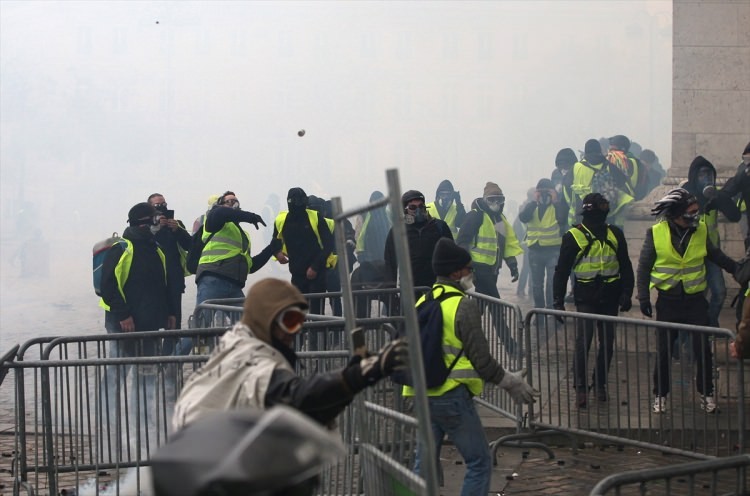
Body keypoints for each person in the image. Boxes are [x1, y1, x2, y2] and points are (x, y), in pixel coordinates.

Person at [173, 278, 408, 430]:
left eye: (299, 323)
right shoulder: (248, 357)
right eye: (288, 321)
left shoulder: (241, 340)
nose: (293, 333)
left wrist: (347, 383)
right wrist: (355, 376)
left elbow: (306, 413)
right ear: (266, 319)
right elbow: (294, 396)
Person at [403, 238, 539, 496]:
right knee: (479, 461)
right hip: (451, 397)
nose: (471, 273)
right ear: (455, 272)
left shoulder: (422, 302)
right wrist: (510, 382)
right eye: (468, 268)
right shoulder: (463, 305)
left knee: (424, 464)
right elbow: (482, 360)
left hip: (421, 396)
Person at [636, 188, 739, 414]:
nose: (695, 216)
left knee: (703, 350)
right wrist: (642, 296)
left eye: (696, 211)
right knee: (664, 352)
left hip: (695, 301)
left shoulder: (700, 230)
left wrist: (738, 269)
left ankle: (706, 394)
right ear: (676, 214)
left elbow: (716, 256)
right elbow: (643, 267)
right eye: (690, 213)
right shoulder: (655, 233)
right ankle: (660, 396)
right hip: (668, 302)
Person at [552, 193, 634, 408]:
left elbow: (625, 265)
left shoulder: (615, 233)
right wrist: (557, 300)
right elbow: (561, 271)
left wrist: (627, 292)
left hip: (610, 295)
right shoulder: (573, 236)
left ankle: (600, 384)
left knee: (607, 344)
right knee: (583, 342)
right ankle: (580, 387)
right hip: (586, 295)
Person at [100, 202, 176, 358]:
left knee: (147, 370)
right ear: (144, 222)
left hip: (149, 322)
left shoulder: (155, 248)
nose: (159, 222)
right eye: (155, 218)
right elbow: (108, 286)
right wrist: (123, 315)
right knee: (118, 370)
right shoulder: (121, 249)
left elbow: (161, 286)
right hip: (123, 322)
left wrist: (169, 312)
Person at [456, 182, 522, 356]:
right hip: (479, 270)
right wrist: (466, 266)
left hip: (493, 271)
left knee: (477, 311)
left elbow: (503, 245)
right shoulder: (475, 216)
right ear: (485, 200)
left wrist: (513, 265)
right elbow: (462, 240)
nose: (496, 203)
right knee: (497, 308)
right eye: (492, 199)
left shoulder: (499, 220)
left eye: (499, 200)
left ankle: (461, 342)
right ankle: (511, 347)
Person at [682, 156, 740, 330]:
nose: (707, 179)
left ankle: (709, 324)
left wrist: (720, 198)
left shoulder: (715, 196)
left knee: (719, 293)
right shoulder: (685, 194)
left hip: (712, 254)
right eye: (702, 175)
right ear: (694, 177)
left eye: (709, 175)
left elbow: (735, 216)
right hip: (691, 256)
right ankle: (682, 341)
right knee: (694, 300)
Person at [273, 188, 335, 316]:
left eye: (303, 200)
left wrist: (315, 267)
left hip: (317, 273)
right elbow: (274, 243)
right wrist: (277, 254)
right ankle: (301, 336)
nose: (300, 204)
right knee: (299, 313)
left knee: (316, 313)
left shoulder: (315, 217)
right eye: (297, 201)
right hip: (297, 274)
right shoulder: (281, 220)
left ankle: (316, 336)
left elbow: (329, 244)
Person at [148, 193, 192, 353]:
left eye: (164, 204)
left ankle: (169, 364)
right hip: (153, 284)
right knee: (152, 324)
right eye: (157, 206)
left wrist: (177, 230)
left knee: (174, 326)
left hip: (174, 281)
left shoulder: (176, 224)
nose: (162, 208)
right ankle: (153, 362)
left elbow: (189, 245)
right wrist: (155, 228)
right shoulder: (145, 226)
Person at [383, 189, 453, 289]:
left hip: (435, 288)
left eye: (421, 206)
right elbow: (390, 262)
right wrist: (390, 291)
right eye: (412, 207)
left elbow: (452, 256)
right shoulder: (397, 231)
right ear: (405, 210)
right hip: (409, 290)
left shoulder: (439, 227)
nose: (418, 210)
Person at [518, 179, 566, 322]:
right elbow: (523, 217)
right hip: (535, 250)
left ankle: (552, 311)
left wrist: (556, 200)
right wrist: (534, 201)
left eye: (548, 192)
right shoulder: (532, 206)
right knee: (536, 285)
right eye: (541, 192)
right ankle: (538, 312)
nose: (544, 195)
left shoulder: (558, 206)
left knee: (552, 283)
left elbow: (562, 219)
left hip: (553, 250)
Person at [564, 139, 634, 230]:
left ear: (586, 151)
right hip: (606, 217)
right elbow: (626, 188)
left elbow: (566, 191)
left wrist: (573, 207)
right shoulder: (609, 166)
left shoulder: (576, 167)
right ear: (599, 150)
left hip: (582, 215)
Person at [353, 190, 393, 318]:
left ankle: (390, 317)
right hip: (369, 263)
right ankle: (365, 322)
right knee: (365, 295)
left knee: (389, 294)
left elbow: (393, 235)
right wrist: (361, 255)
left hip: (385, 262)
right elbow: (359, 236)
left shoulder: (388, 215)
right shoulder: (364, 215)